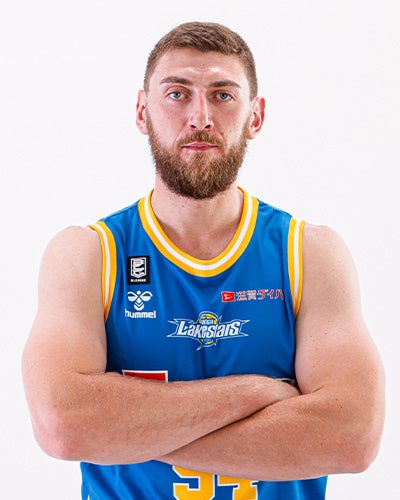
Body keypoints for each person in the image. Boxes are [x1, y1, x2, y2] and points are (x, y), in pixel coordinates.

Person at [22, 21, 385, 500]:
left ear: (255, 116)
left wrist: (126, 431)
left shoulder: (308, 253)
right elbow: (63, 425)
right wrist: (257, 393)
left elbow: (352, 437)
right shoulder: (89, 255)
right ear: (142, 111)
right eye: (177, 94)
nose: (200, 117)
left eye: (222, 95)